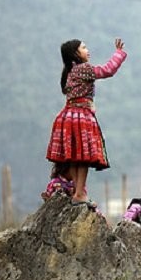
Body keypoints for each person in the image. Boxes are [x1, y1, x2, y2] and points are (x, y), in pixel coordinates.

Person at [46, 38, 127, 208]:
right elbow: (107, 70)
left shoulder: (69, 72)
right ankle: (80, 193)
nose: (87, 50)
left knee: (75, 156)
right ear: (75, 53)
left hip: (68, 116)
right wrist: (119, 54)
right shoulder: (83, 69)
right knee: (83, 157)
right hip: (81, 117)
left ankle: (77, 191)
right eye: (83, 47)